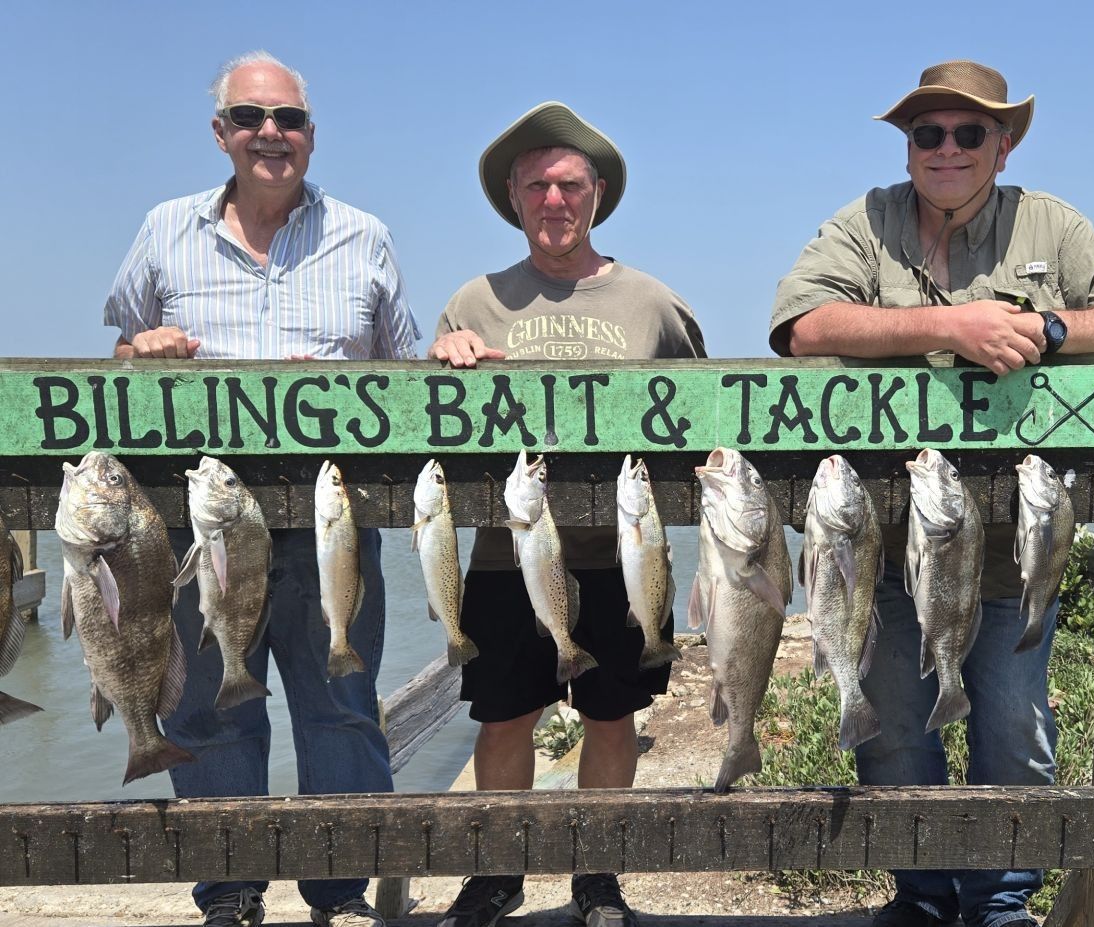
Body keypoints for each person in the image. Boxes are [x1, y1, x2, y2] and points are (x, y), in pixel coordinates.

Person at [770, 60, 1094, 927]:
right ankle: (921, 895)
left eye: (967, 133)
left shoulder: (1049, 222)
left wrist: (1051, 327)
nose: (945, 149)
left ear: (1004, 142)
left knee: (1014, 734)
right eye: (927, 133)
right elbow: (803, 325)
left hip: (1003, 555)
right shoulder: (865, 221)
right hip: (876, 547)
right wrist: (953, 324)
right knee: (894, 732)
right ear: (907, 145)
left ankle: (1000, 903)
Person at [104, 50, 419, 927]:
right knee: (207, 713)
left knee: (344, 710)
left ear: (312, 136)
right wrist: (140, 351)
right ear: (222, 134)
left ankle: (341, 892)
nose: (270, 133)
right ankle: (231, 893)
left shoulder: (368, 235)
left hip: (331, 527)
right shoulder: (163, 230)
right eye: (250, 118)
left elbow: (408, 381)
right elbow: (114, 363)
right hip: (202, 530)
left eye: (287, 120)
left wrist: (456, 357)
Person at [429, 102, 706, 927]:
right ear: (514, 198)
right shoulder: (473, 300)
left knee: (612, 713)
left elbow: (701, 412)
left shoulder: (653, 302)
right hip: (502, 556)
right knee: (505, 712)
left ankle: (598, 873)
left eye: (570, 185)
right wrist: (447, 359)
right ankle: (497, 869)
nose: (554, 200)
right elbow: (431, 425)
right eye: (538, 185)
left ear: (599, 194)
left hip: (623, 554)